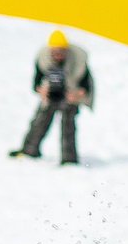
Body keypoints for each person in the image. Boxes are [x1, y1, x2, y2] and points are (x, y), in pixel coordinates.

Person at [9, 29, 95, 166]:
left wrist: (76, 94)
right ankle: (29, 150)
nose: (58, 55)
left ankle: (69, 159)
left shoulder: (78, 60)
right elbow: (36, 82)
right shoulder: (43, 58)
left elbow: (86, 86)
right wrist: (41, 91)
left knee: (68, 126)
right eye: (54, 52)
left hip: (70, 95)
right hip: (51, 93)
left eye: (61, 51)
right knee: (39, 121)